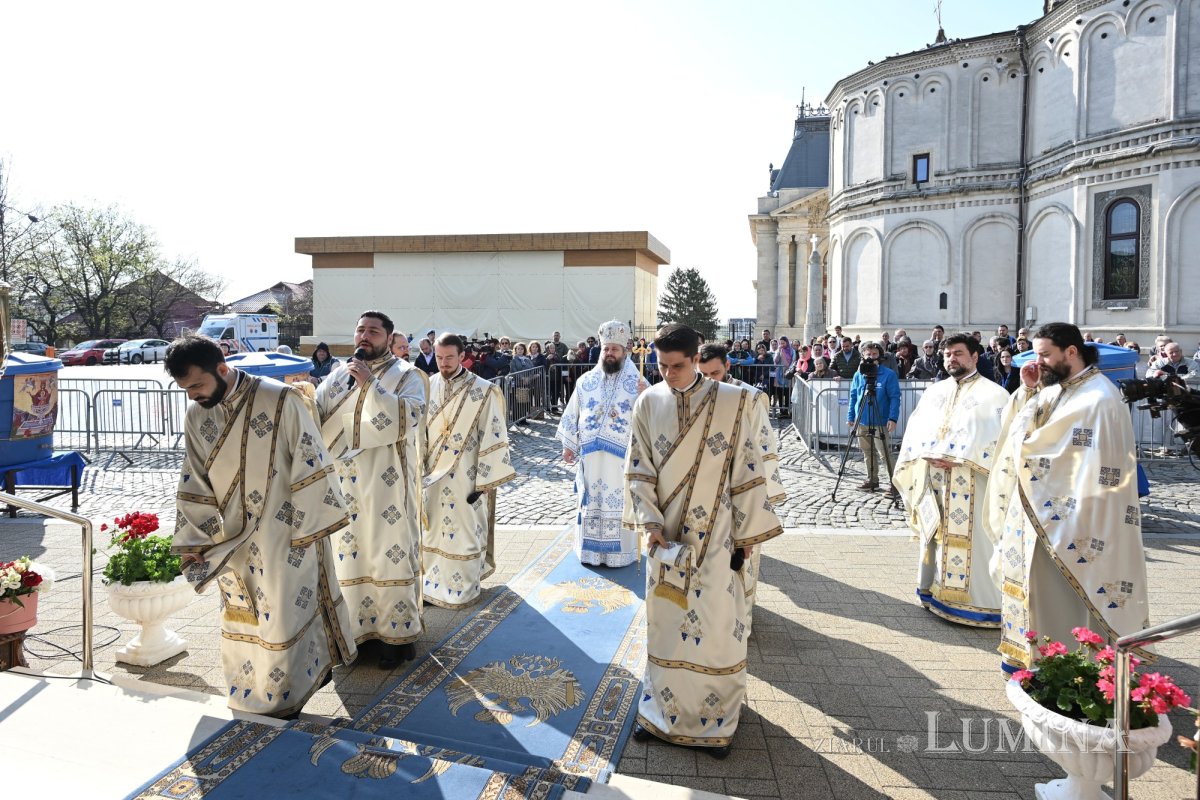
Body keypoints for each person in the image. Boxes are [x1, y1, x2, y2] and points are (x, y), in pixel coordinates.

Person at [167, 335, 357, 718]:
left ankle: (288, 692)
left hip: (285, 530)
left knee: (283, 611)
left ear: (221, 369)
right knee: (243, 612)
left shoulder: (280, 399)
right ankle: (253, 689)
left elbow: (312, 459)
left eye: (197, 386)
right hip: (232, 535)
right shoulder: (197, 414)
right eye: (185, 389)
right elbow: (194, 477)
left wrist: (306, 529)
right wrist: (196, 538)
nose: (193, 396)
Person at [625, 324, 784, 758]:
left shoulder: (733, 402)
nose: (669, 374)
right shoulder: (647, 402)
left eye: (677, 366)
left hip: (717, 538)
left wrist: (748, 535)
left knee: (714, 626)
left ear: (697, 360)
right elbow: (638, 468)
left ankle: (717, 720)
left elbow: (747, 469)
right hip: (666, 537)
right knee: (664, 622)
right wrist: (649, 524)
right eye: (661, 366)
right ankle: (660, 712)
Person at [985, 323, 1151, 674]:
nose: (1039, 362)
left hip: (1075, 521)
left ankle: (1065, 670)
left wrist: (1030, 425)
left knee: (1061, 598)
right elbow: (1020, 425)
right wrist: (1029, 392)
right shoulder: (1057, 388)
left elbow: (1041, 450)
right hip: (1043, 511)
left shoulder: (1100, 398)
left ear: (1071, 352)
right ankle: (1028, 657)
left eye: (1045, 354)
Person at [316, 312, 427, 669]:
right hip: (344, 482)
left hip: (387, 482)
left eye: (373, 331)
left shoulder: (408, 376)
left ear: (389, 337)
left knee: (387, 551)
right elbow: (315, 414)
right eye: (360, 330)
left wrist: (371, 387)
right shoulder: (336, 376)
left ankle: (395, 638)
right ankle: (355, 634)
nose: (365, 336)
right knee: (349, 554)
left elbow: (410, 416)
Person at [892, 334, 1007, 627]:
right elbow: (916, 430)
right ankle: (934, 593)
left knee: (975, 545)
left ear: (974, 356)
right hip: (935, 479)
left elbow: (1002, 444)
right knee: (937, 537)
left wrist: (958, 459)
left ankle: (978, 606)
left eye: (958, 353)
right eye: (947, 354)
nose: (951, 359)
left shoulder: (995, 395)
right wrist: (925, 454)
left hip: (973, 483)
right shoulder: (934, 392)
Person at [422, 333, 516, 607]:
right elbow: (420, 433)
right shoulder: (428, 386)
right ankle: (431, 585)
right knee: (433, 528)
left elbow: (494, 434)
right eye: (439, 357)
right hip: (433, 475)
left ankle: (463, 587)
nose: (444, 363)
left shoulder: (483, 390)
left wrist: (486, 481)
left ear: (463, 356)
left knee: (464, 529)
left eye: (449, 357)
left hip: (467, 474)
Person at [557, 321, 646, 567]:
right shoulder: (585, 381)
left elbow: (652, 415)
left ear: (624, 351)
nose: (610, 354)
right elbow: (572, 412)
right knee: (591, 502)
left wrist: (645, 396)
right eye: (606, 349)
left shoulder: (638, 382)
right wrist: (569, 446)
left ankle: (620, 555)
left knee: (619, 501)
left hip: (622, 458)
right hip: (590, 457)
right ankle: (590, 553)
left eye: (615, 349)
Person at [847, 342, 901, 493]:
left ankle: (894, 483)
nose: (871, 357)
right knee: (867, 451)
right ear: (863, 356)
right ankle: (872, 479)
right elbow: (853, 396)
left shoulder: (888, 374)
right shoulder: (858, 374)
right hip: (862, 419)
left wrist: (893, 418)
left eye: (874, 354)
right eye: (868, 354)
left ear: (880, 356)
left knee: (884, 453)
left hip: (880, 419)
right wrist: (851, 416)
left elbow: (895, 397)